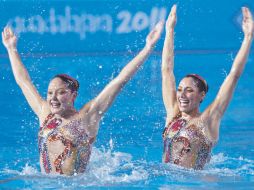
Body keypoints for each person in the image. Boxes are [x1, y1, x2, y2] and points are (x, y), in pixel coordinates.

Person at [2, 22, 163, 175]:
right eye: (50, 93)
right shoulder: (45, 114)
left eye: (60, 92)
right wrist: (11, 48)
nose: (53, 98)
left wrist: (148, 48)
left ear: (73, 95)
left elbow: (120, 81)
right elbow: (24, 82)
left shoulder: (87, 117)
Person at [161, 5, 254, 169]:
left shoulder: (208, 121)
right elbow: (166, 70)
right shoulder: (173, 115)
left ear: (201, 96)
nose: (182, 95)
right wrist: (169, 30)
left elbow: (234, 76)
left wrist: (248, 38)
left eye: (189, 90)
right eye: (180, 89)